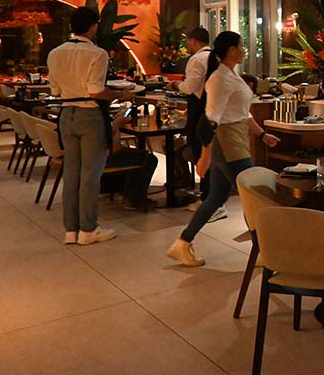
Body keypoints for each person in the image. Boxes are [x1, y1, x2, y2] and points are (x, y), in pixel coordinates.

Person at [167, 31, 280, 267]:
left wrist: (261, 134)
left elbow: (242, 112)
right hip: (227, 141)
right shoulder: (219, 78)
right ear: (231, 51)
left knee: (216, 197)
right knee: (257, 194)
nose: (244, 50)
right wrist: (206, 155)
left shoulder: (229, 74)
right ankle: (266, 250)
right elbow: (212, 119)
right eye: (241, 46)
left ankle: (182, 243)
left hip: (234, 137)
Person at [47, 7, 134, 246]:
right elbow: (95, 91)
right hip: (90, 115)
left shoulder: (55, 53)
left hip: (66, 115)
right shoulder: (97, 53)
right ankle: (88, 229)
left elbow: (54, 91)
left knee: (71, 173)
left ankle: (70, 230)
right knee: (90, 175)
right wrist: (121, 93)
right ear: (93, 26)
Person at [168, 27, 221, 218]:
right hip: (215, 111)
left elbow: (189, 88)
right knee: (212, 156)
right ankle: (212, 197)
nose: (187, 45)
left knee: (201, 154)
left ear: (193, 41)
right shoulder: (216, 58)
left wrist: (175, 84)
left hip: (200, 114)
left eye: (188, 41)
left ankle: (209, 200)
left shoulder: (197, 59)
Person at [103, 113, 158, 212]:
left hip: (104, 156)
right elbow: (104, 139)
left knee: (141, 155)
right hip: (104, 159)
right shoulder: (93, 118)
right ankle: (133, 199)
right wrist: (116, 124)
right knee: (149, 159)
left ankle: (130, 194)